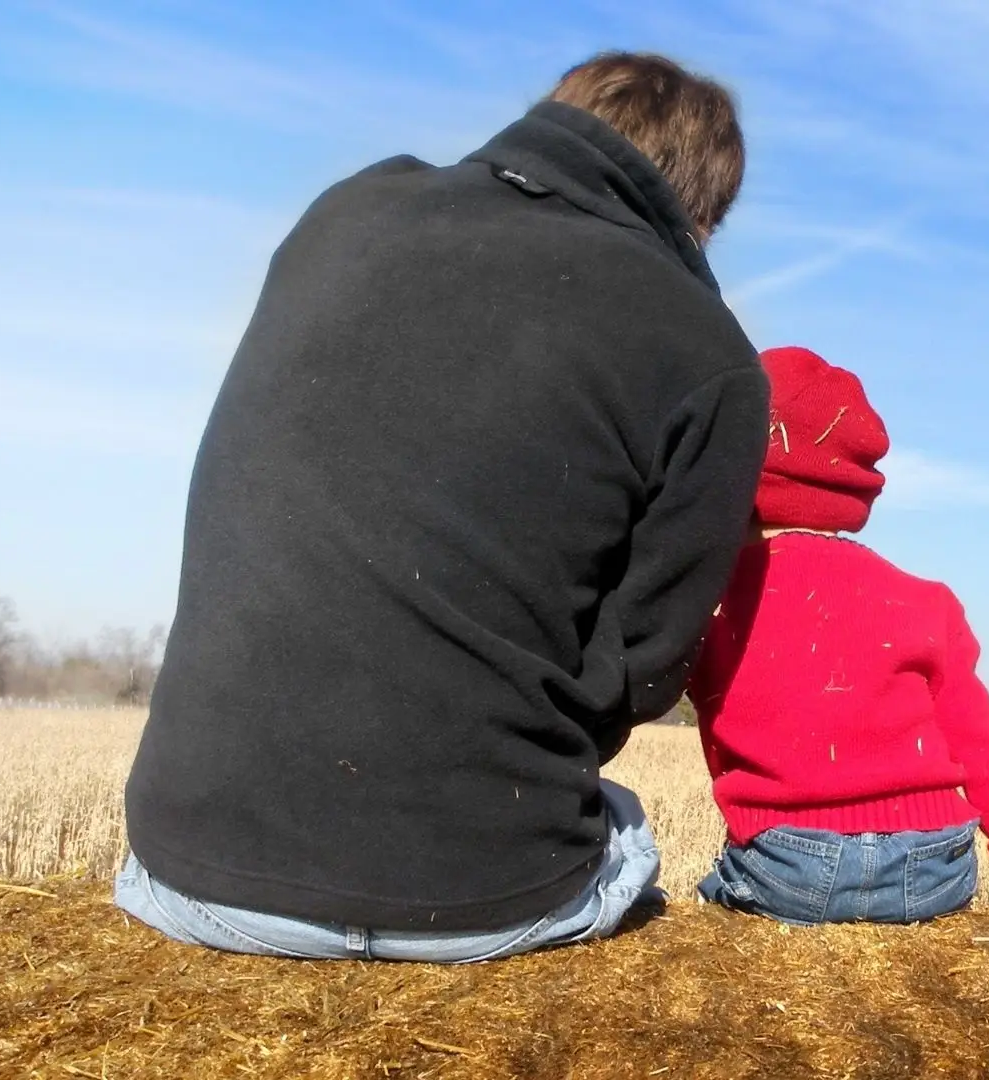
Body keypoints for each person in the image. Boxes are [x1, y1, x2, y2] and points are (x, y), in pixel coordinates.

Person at [115, 52, 769, 962]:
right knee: (624, 827)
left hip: (181, 871)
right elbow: (644, 669)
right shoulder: (712, 355)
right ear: (700, 216)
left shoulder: (348, 210)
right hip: (476, 898)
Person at [686, 346, 989, 925]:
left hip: (792, 865)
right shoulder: (926, 601)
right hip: (939, 864)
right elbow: (980, 745)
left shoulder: (713, 601)